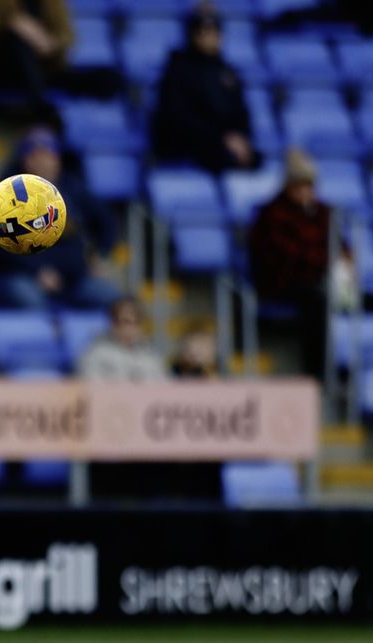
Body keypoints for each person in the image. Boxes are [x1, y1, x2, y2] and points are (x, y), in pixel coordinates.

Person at [0, 127, 121, 310]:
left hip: (72, 277)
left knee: (114, 300)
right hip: (21, 275)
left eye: (51, 156)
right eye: (39, 157)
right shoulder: (6, 194)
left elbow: (106, 221)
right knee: (31, 300)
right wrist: (36, 271)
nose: (47, 163)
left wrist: (102, 254)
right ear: (26, 160)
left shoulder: (71, 187)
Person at [247, 148, 351, 382]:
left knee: (363, 300)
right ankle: (318, 373)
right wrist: (324, 263)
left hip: (321, 279)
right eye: (300, 185)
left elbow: (341, 247)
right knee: (316, 299)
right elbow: (280, 256)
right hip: (283, 282)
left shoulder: (324, 212)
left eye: (310, 185)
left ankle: (349, 368)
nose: (306, 191)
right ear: (288, 185)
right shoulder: (271, 214)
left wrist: (342, 263)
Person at [150, 3, 256, 173]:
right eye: (204, 32)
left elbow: (241, 112)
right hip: (191, 144)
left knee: (256, 158)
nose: (210, 37)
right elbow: (178, 117)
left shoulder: (227, 72)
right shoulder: (178, 70)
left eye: (214, 32)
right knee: (223, 157)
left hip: (224, 143)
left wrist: (241, 138)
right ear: (192, 34)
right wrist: (221, 138)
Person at [77, 296, 167, 381]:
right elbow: (90, 385)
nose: (131, 328)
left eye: (136, 321)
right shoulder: (96, 353)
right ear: (113, 323)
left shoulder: (151, 356)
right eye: (126, 322)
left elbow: (164, 387)